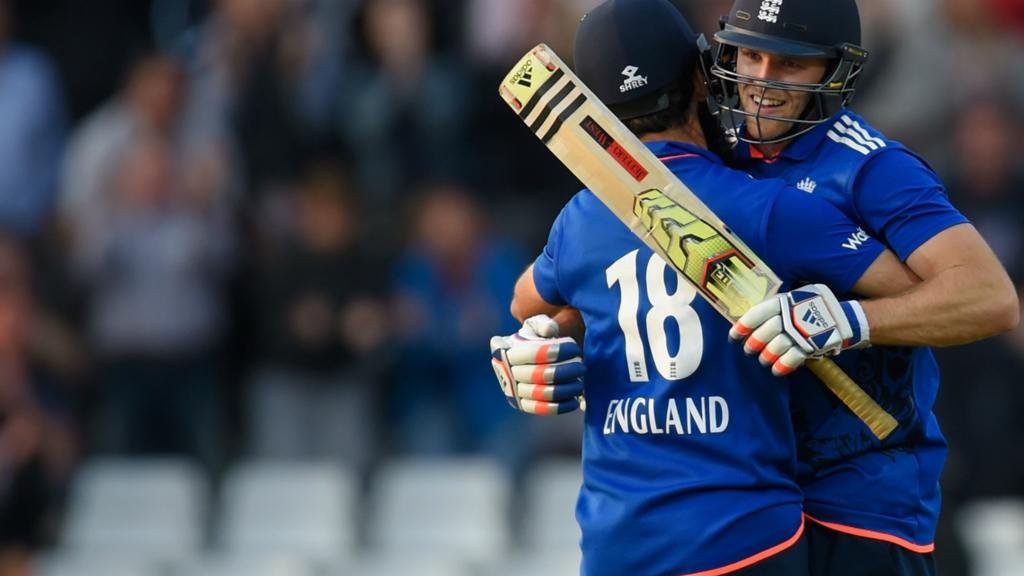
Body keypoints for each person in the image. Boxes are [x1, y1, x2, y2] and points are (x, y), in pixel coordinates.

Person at [490, 0, 923, 573]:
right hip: (745, 536)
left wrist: (539, 335)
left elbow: (526, 303)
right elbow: (911, 293)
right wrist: (841, 317)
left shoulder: (580, 221)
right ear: (701, 76)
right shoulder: (769, 208)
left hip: (618, 544)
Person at [706, 0, 1020, 573]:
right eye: (751, 55)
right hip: (748, 498)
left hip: (861, 497)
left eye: (789, 64)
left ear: (834, 70)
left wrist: (852, 321)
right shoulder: (712, 152)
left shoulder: (873, 167)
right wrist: (555, 332)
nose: (761, 81)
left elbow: (990, 298)